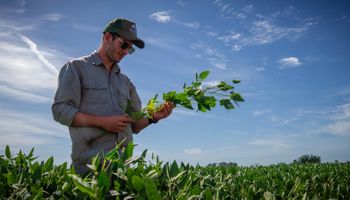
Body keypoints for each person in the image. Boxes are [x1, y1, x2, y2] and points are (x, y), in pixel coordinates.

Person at [52, 18, 174, 175]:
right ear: (107, 38)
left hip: (122, 172)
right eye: (124, 45)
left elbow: (134, 125)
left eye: (130, 49)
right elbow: (60, 110)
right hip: (90, 170)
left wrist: (153, 117)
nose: (126, 52)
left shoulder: (126, 83)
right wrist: (102, 122)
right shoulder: (76, 68)